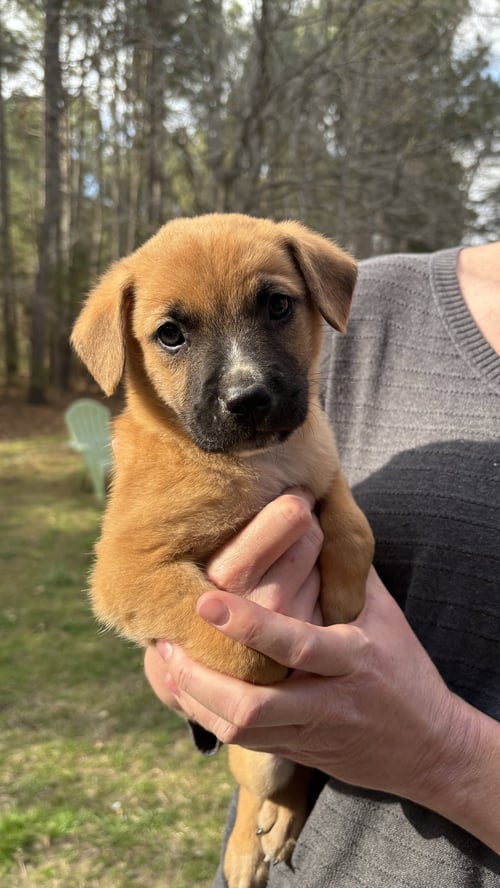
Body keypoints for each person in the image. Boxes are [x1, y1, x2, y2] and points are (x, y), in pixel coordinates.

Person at [144, 241, 500, 885]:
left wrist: (445, 755)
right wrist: (197, 662)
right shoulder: (371, 305)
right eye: (173, 334)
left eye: (275, 308)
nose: (243, 376)